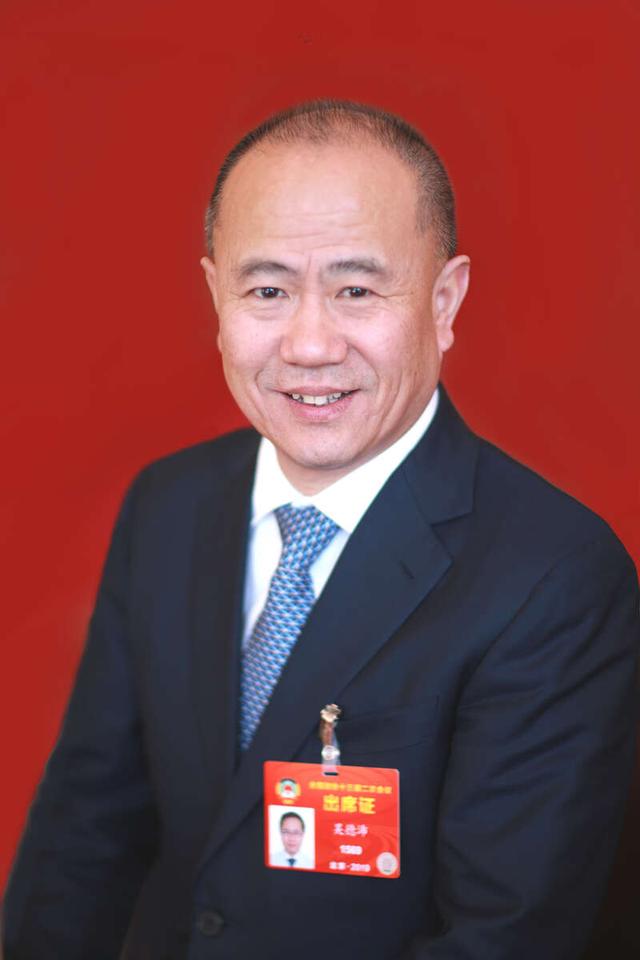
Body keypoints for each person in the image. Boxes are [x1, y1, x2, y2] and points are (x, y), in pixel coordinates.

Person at [3, 99, 639, 960]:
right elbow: (83, 837)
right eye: (267, 291)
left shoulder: (555, 577)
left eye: (356, 290)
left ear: (445, 302)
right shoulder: (168, 506)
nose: (308, 345)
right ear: (216, 297)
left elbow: (501, 938)